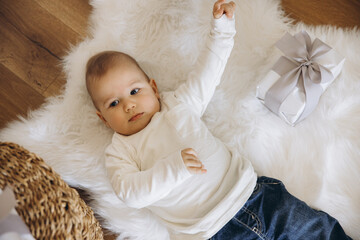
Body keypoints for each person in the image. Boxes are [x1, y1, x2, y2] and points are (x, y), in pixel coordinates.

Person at [85, 0, 351, 239]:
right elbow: (131, 194)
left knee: (318, 231)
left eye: (134, 91)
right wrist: (174, 168)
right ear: (103, 119)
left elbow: (208, 73)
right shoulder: (120, 151)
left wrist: (222, 32)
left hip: (256, 196)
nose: (129, 105)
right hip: (213, 231)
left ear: (153, 88)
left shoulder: (178, 105)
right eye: (114, 103)